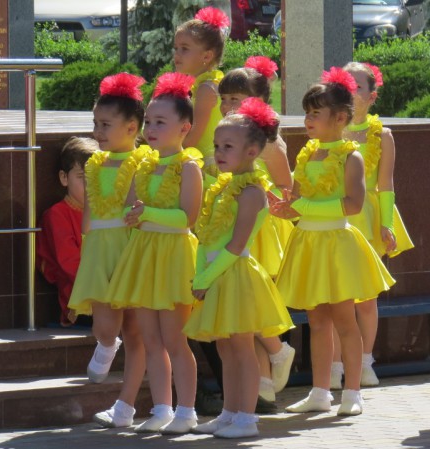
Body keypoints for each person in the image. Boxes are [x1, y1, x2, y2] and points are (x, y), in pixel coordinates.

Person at [271, 68, 395, 416]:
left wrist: (303, 207)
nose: (308, 120)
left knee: (344, 319)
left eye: (316, 113)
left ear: (340, 118)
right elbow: (298, 201)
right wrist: (284, 209)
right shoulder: (307, 154)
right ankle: (320, 391)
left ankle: (352, 392)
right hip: (309, 243)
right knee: (317, 321)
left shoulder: (351, 156)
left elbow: (353, 204)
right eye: (307, 113)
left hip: (337, 244)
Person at [183, 98, 294, 439]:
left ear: (252, 151)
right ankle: (229, 413)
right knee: (224, 346)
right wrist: (201, 272)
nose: (218, 152)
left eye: (227, 147)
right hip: (216, 275)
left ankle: (247, 418)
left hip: (236, 275)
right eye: (217, 145)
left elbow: (235, 244)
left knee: (243, 348)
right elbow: (206, 237)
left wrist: (205, 277)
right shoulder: (223, 186)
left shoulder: (252, 192)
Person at [101, 72, 204, 434]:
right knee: (151, 339)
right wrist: (134, 214)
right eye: (149, 121)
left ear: (184, 128)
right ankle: (162, 408)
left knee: (175, 339)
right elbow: (133, 206)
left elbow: (187, 218)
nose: (151, 128)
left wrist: (146, 213)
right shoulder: (143, 165)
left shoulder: (189, 167)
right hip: (145, 255)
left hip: (174, 255)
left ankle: (187, 411)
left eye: (161, 122)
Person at [68, 73, 148, 428]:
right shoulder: (93, 163)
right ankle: (106, 343)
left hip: (130, 247)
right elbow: (89, 210)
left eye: (105, 124)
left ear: (131, 128)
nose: (97, 131)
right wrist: (87, 243)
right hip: (100, 247)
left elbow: (137, 206)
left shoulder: (142, 162)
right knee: (105, 322)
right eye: (95, 123)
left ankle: (125, 407)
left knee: (135, 331)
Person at [328, 62, 415, 389]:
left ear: (372, 96)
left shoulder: (382, 135)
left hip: (367, 218)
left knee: (365, 297)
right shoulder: (331, 129)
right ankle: (334, 366)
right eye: (344, 86)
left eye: (357, 87)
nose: (350, 92)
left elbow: (386, 184)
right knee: (335, 296)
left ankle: (365, 362)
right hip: (335, 216)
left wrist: (387, 224)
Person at [218, 56, 296, 410]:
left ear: (261, 102)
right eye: (225, 99)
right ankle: (262, 384)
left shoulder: (270, 145)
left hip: (261, 229)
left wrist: (264, 194)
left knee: (251, 304)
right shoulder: (225, 140)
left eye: (237, 99)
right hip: (231, 224)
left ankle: (276, 353)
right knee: (241, 310)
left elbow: (286, 188)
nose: (228, 106)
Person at [37, 136, 97, 327]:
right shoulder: (57, 215)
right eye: (82, 177)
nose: (90, 185)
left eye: (96, 177)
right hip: (82, 300)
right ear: (64, 178)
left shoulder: (107, 211)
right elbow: (70, 265)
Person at [175, 6, 228, 181]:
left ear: (206, 56)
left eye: (184, 48)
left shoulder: (206, 89)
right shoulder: (199, 86)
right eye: (176, 48)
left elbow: (193, 137)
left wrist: (167, 150)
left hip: (205, 165)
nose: (177, 54)